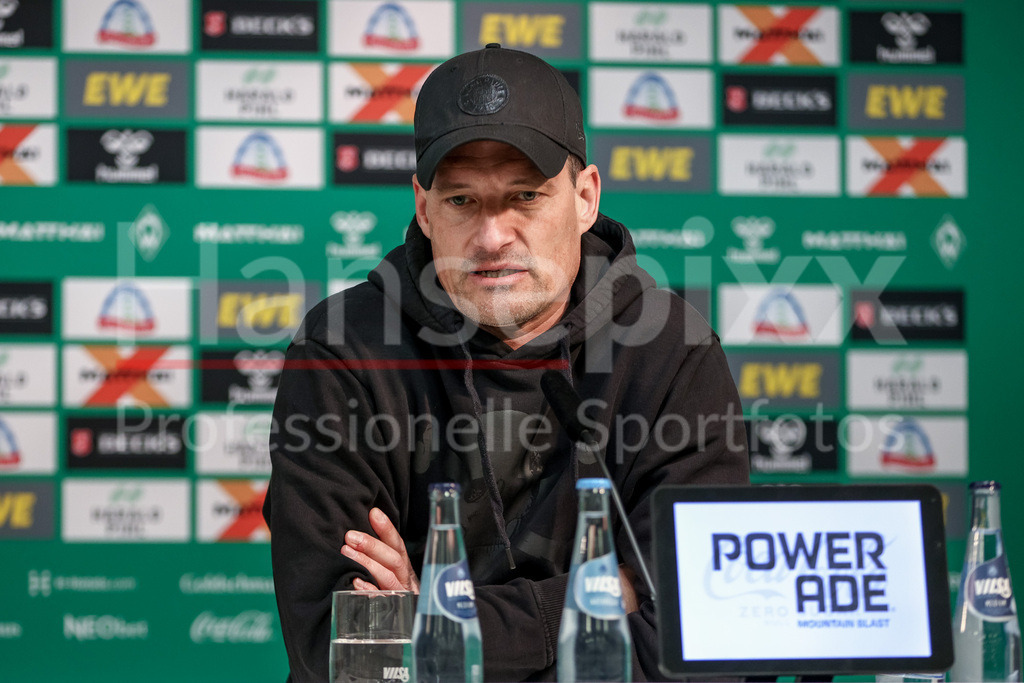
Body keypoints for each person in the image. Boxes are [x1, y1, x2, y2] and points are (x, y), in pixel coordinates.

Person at [263, 44, 749, 682]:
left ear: (585, 197)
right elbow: (346, 650)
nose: (492, 237)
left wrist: (438, 623)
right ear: (423, 208)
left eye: (524, 196)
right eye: (463, 201)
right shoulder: (342, 349)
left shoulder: (673, 352)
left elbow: (704, 637)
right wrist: (612, 593)